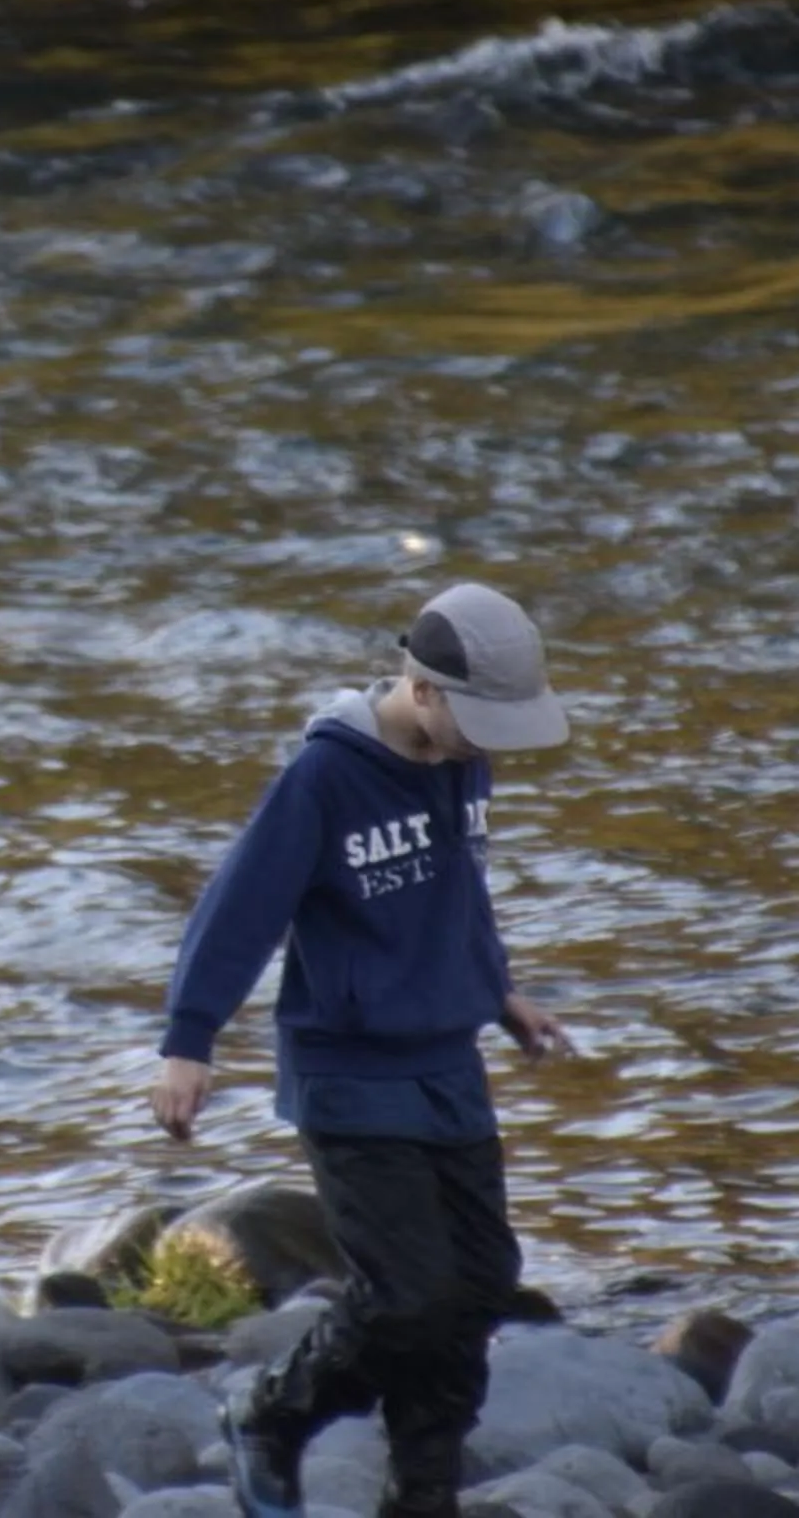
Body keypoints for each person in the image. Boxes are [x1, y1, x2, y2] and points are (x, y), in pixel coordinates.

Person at [150, 581, 578, 1518]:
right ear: (421, 690)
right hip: (349, 1073)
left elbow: (461, 892)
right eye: (480, 720)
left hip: (446, 1061)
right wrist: (190, 1041)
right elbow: (237, 911)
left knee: (478, 1287)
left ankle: (422, 1493)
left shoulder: (463, 761)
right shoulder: (323, 781)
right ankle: (272, 1413)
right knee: (406, 1298)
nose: (492, 742)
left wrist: (500, 990)